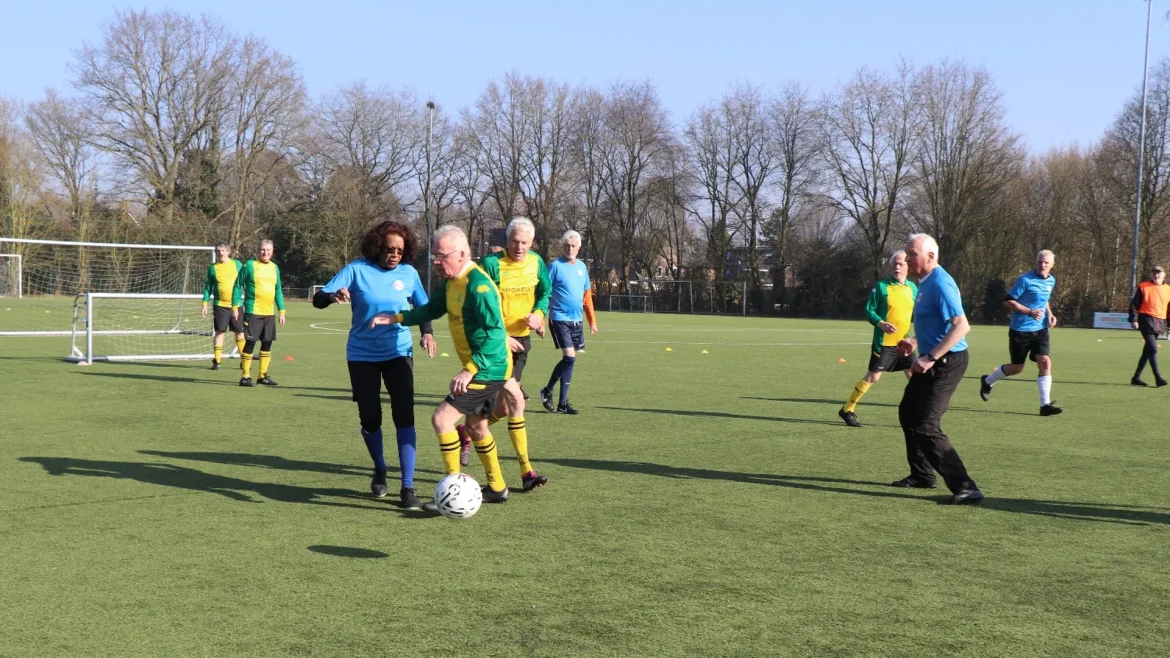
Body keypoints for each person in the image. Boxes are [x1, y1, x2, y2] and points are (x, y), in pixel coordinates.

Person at [371, 225, 513, 504]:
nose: (436, 261)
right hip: (486, 367)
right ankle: (497, 488)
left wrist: (469, 369)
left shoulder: (479, 286)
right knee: (476, 427)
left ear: (461, 254)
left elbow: (496, 336)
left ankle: (452, 494)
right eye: (434, 256)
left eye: (441, 255)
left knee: (442, 419)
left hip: (488, 368)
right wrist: (396, 318)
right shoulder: (452, 283)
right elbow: (431, 310)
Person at [313, 221, 438, 510]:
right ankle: (380, 468)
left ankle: (408, 486)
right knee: (370, 418)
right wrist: (333, 296)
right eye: (389, 249)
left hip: (398, 352)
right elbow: (318, 299)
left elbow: (422, 307)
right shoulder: (356, 269)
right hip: (361, 355)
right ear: (377, 247)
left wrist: (427, 332)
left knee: (404, 416)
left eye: (400, 250)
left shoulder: (408, 273)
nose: (395, 254)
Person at [891, 233, 982, 505]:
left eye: (912, 254)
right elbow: (937, 325)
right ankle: (922, 475)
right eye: (907, 253)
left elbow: (961, 326)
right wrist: (915, 342)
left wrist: (929, 356)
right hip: (933, 357)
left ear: (930, 256)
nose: (907, 259)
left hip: (947, 362)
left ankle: (966, 486)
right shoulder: (924, 283)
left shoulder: (941, 282)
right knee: (908, 412)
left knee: (926, 424)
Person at [463, 217, 549, 491]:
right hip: (492, 344)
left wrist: (539, 314)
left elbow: (545, 292)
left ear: (532, 242)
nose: (519, 247)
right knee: (515, 401)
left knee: (502, 407)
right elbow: (477, 305)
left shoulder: (536, 263)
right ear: (506, 241)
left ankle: (468, 432)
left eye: (525, 242)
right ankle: (526, 472)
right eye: (515, 241)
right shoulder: (491, 265)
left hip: (520, 343)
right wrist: (501, 337)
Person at [838, 250, 916, 427]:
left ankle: (918, 413)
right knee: (874, 377)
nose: (896, 267)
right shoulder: (881, 287)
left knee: (914, 376)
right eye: (894, 264)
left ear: (907, 267)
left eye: (900, 263)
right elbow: (869, 310)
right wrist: (881, 324)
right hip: (884, 343)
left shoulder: (913, 288)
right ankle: (847, 409)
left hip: (904, 343)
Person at [979, 250, 1062, 415]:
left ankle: (1045, 405)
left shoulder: (1051, 280)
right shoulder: (1025, 280)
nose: (1042, 265)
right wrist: (1029, 312)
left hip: (1040, 329)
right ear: (1036, 263)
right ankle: (987, 381)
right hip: (1021, 330)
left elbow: (1044, 300)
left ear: (1052, 265)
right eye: (1040, 262)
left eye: (1046, 263)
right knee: (1017, 368)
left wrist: (1050, 314)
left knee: (1045, 361)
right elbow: (1008, 302)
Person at [540, 230, 598, 415]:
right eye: (566, 245)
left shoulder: (582, 267)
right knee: (570, 357)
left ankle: (562, 404)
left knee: (570, 362)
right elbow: (544, 292)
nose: (570, 248)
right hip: (559, 318)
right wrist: (540, 319)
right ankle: (547, 390)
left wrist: (592, 321)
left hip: (576, 321)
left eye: (573, 245)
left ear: (579, 247)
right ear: (562, 246)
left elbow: (586, 296)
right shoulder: (555, 266)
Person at [232, 239, 286, 387]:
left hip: (269, 313)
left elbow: (278, 290)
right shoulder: (250, 265)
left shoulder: (275, 268)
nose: (265, 253)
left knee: (267, 343)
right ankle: (245, 376)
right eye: (263, 249)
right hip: (253, 311)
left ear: (272, 251)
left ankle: (262, 376)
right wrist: (235, 306)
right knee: (250, 343)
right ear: (258, 250)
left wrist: (281, 310)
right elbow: (237, 286)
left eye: (268, 250)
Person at [200, 242, 245, 370]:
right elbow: (208, 288)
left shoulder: (237, 264)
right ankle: (217, 361)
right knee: (219, 332)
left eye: (223, 250)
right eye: (218, 251)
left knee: (239, 333)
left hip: (236, 305)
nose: (220, 253)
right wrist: (204, 304)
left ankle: (244, 360)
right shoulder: (213, 268)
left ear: (228, 252)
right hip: (220, 305)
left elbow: (244, 282)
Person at [1128, 265, 1170, 387]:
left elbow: (1169, 311)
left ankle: (1136, 378)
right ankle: (1158, 378)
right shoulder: (1143, 287)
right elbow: (1134, 305)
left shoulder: (1168, 289)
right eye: (1154, 273)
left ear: (1164, 275)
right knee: (1153, 348)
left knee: (1147, 351)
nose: (1156, 275)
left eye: (1158, 273)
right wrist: (1133, 319)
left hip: (1160, 322)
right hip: (1145, 319)